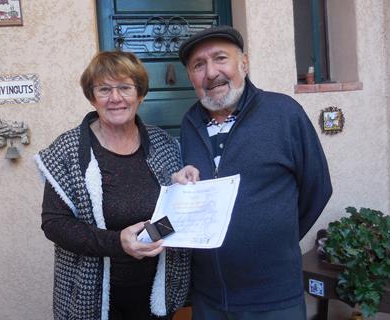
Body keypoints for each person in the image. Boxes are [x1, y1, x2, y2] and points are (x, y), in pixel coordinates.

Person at [172, 26, 333, 320]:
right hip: (209, 298)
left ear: (243, 64)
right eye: (198, 65)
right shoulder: (188, 124)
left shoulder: (284, 113)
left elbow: (317, 188)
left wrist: (275, 240)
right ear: (190, 77)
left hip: (274, 297)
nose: (211, 73)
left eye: (221, 58)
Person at [35, 51, 190, 320]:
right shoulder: (68, 150)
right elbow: (54, 223)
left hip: (154, 292)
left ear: (140, 94)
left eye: (125, 88)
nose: (115, 98)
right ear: (92, 97)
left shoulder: (164, 144)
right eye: (104, 89)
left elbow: (175, 216)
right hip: (90, 295)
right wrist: (118, 242)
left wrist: (184, 191)